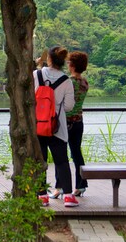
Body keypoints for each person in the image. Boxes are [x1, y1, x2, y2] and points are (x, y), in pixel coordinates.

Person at [35, 46, 78, 207]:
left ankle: (41, 196)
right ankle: (68, 196)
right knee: (61, 161)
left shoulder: (36, 74)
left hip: (38, 124)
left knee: (40, 161)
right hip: (56, 126)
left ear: (49, 59)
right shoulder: (66, 81)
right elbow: (68, 106)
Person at [64, 51, 90, 197]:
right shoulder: (84, 82)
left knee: (61, 154)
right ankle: (81, 184)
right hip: (79, 122)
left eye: (68, 63)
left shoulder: (69, 82)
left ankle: (61, 185)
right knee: (76, 153)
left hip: (66, 122)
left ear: (72, 65)